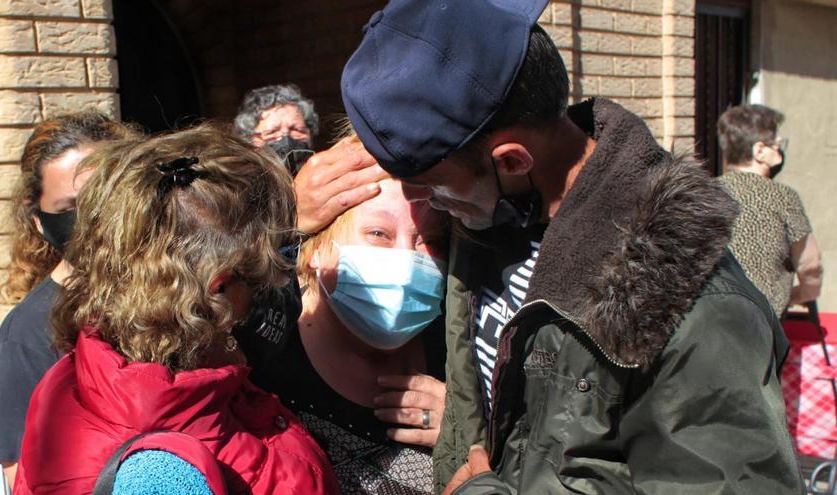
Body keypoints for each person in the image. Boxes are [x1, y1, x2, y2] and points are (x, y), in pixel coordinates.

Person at [328, 0, 803, 493]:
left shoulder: (697, 310)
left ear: (511, 161)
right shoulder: (494, 214)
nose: (427, 205)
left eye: (435, 186)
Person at [11, 125, 338, 494]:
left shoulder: (72, 381)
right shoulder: (167, 476)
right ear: (219, 289)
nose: (280, 279)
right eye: (271, 265)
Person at [252, 169, 449, 493]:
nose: (406, 258)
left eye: (429, 241)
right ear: (316, 248)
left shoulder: (462, 345)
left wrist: (469, 432)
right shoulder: (261, 342)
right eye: (378, 233)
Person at [0, 112, 137, 488]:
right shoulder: (26, 335)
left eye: (104, 198)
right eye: (69, 209)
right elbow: (26, 478)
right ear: (38, 219)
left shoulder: (174, 289)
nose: (91, 221)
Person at [717, 104, 823, 317]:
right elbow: (810, 265)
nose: (781, 151)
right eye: (778, 145)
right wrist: (800, 294)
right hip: (761, 327)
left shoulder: (705, 192)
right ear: (760, 151)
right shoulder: (783, 198)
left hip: (710, 323)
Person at [234, 83, 319, 173]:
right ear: (250, 140)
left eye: (297, 130)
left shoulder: (325, 176)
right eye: (272, 132)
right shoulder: (240, 184)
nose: (286, 137)